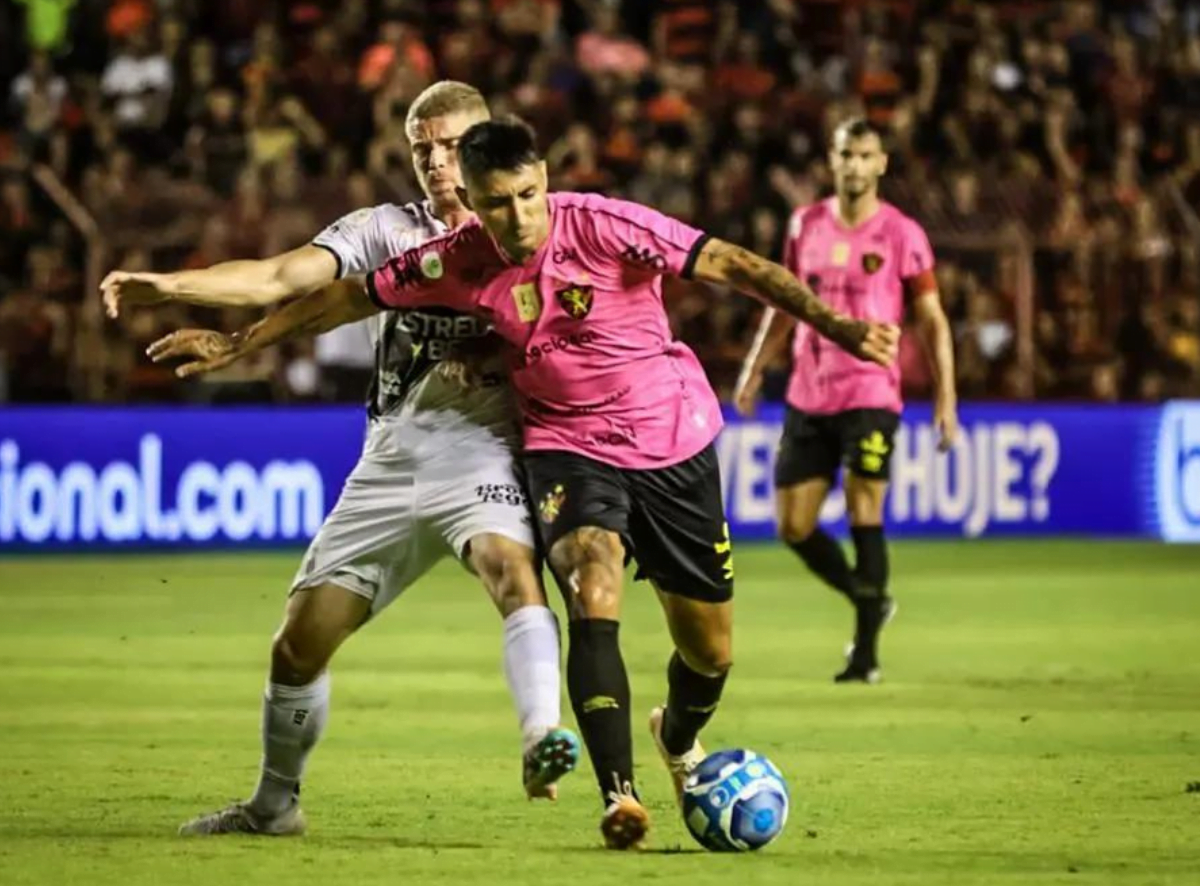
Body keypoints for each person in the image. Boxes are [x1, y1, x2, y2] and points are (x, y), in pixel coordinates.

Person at [167, 115, 898, 848]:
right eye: (495, 202)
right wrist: (240, 342)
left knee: (710, 652)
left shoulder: (606, 225)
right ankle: (621, 798)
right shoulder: (458, 257)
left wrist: (835, 327)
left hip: (673, 441)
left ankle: (676, 736)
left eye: (525, 195)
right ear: (475, 202)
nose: (515, 216)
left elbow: (736, 264)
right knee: (589, 579)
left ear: (543, 178)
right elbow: (352, 296)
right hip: (566, 447)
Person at [99, 83, 579, 837]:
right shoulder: (388, 230)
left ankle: (541, 735)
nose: (435, 163)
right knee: (298, 643)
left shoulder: (540, 229)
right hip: (389, 458)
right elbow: (282, 276)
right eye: (422, 149)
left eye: (452, 146)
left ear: (490, 146)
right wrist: (174, 288)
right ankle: (274, 805)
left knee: (511, 571)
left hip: (481, 448)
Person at [733, 117, 958, 683]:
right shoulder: (804, 224)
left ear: (882, 163)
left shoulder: (902, 234)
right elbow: (783, 304)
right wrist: (755, 368)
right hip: (810, 392)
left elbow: (931, 320)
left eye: (864, 155)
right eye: (845, 155)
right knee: (794, 525)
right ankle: (869, 597)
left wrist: (946, 399)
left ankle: (865, 653)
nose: (854, 165)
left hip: (871, 392)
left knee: (865, 509)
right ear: (831, 162)